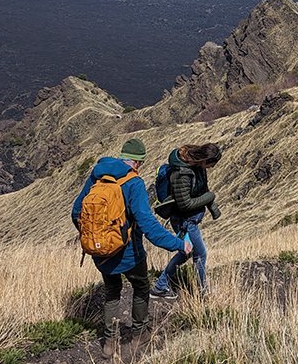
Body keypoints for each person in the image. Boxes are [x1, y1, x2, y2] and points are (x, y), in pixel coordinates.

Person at [71, 138, 191, 356]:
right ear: (138, 163)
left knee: (112, 291)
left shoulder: (98, 175)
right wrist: (178, 244)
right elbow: (149, 226)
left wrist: (95, 237)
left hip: (100, 252)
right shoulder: (134, 183)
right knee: (141, 286)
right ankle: (139, 335)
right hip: (129, 251)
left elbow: (76, 212)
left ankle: (109, 343)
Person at [151, 143, 222, 298]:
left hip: (190, 219)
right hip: (184, 220)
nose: (211, 168)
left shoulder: (199, 167)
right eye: (211, 164)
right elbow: (185, 204)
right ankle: (202, 293)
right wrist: (210, 198)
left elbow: (204, 189)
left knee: (186, 252)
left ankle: (160, 286)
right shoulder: (181, 174)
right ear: (204, 159)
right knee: (200, 254)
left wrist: (213, 207)